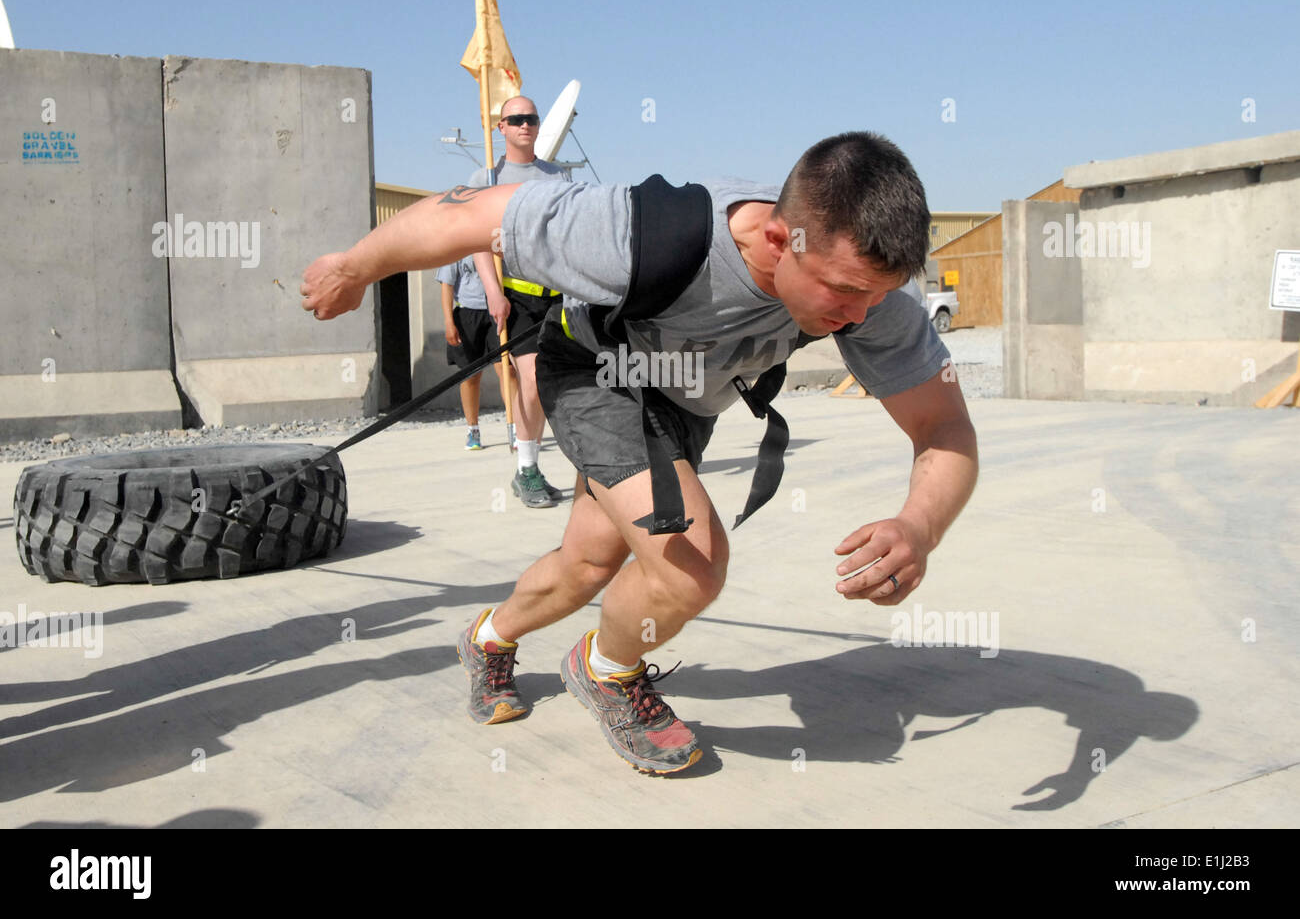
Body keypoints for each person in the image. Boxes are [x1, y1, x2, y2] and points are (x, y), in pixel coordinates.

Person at [301, 131, 979, 775]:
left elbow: (943, 428)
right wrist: (355, 268)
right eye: (846, 292)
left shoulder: (872, 293)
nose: (860, 318)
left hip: (682, 407)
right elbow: (473, 213)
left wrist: (919, 525)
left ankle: (486, 639)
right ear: (780, 238)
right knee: (691, 565)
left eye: (879, 295)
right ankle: (608, 671)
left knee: (588, 563)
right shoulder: (644, 231)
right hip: (597, 372)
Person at [468, 95, 567, 507]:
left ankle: (541, 467)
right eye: (517, 119)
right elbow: (475, 240)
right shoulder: (486, 178)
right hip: (518, 298)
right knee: (531, 378)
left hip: (559, 296)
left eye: (531, 118)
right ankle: (526, 469)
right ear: (501, 128)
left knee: (551, 384)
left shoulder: (558, 176)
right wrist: (493, 290)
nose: (525, 125)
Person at [437, 256, 507, 450]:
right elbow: (447, 285)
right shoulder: (457, 245)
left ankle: (516, 427)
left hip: (497, 312)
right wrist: (449, 322)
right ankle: (473, 429)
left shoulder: (495, 241)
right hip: (468, 313)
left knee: (506, 370)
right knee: (470, 376)